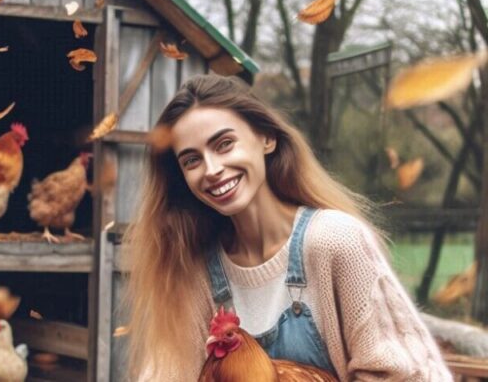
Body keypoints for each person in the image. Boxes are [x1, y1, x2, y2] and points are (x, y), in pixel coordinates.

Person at [122, 74, 452, 381]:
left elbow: (405, 374)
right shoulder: (193, 270)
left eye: (223, 144)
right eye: (191, 160)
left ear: (266, 138)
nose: (212, 169)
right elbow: (166, 372)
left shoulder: (336, 241)